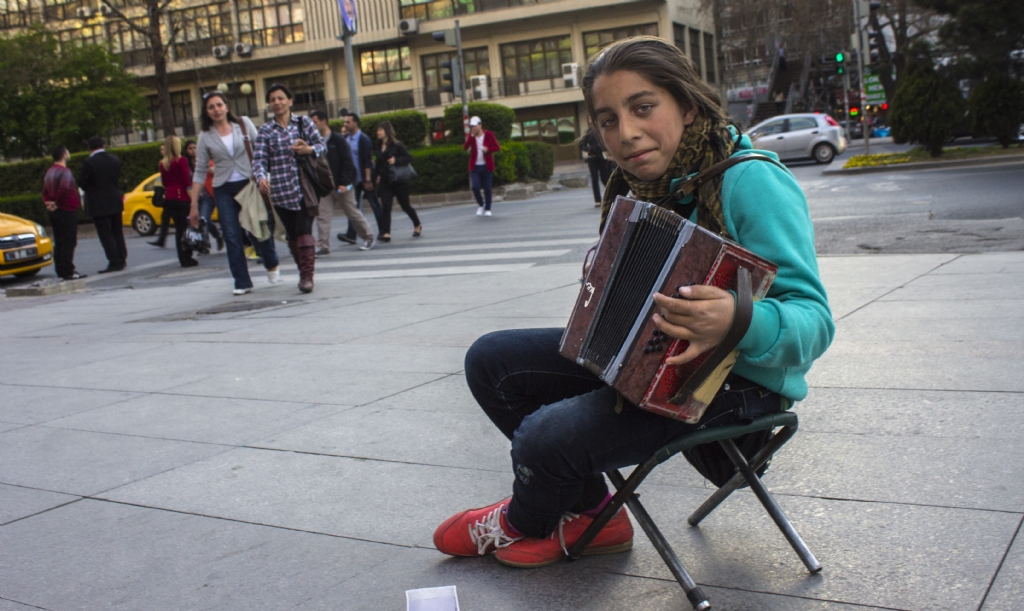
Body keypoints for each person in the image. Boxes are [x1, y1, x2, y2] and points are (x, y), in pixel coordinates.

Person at [432, 36, 833, 568]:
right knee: (490, 361)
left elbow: (815, 320)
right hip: (647, 362)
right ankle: (595, 512)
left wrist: (736, 319)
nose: (626, 133)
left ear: (687, 106)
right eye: (607, 120)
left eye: (643, 108)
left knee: (545, 439)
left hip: (739, 386)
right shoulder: (634, 188)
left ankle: (519, 522)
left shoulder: (749, 179)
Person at [189, 90, 281, 296]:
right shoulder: (205, 136)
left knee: (257, 229)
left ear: (227, 107)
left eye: (219, 105)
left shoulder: (244, 124)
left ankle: (271, 261)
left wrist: (264, 177)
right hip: (223, 188)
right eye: (211, 107)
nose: (216, 110)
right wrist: (194, 204)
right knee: (231, 234)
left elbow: (261, 151)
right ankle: (241, 281)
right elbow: (200, 170)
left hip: (248, 184)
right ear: (206, 112)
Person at [253, 83, 327, 293]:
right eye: (273, 100)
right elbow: (259, 160)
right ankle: (302, 268)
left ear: (290, 101)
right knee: (293, 235)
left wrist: (309, 149)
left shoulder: (303, 123)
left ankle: (306, 277)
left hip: (304, 189)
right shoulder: (266, 130)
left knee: (304, 230)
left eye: (281, 98)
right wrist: (260, 178)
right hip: (280, 192)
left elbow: (322, 146)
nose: (277, 103)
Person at [309, 110, 375, 254]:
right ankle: (323, 245)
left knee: (352, 212)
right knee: (322, 215)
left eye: (314, 122)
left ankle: (368, 237)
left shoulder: (338, 140)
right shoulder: (313, 142)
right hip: (324, 186)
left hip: (341, 185)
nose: (312, 126)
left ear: (323, 121)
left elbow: (348, 162)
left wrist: (344, 183)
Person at [77, 136, 126, 273]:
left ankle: (114, 261)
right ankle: (122, 257)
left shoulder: (89, 163)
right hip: (115, 199)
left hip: (98, 203)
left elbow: (81, 182)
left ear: (89, 148)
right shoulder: (114, 160)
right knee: (117, 231)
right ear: (103, 145)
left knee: (105, 233)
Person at [338, 113, 384, 245]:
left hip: (364, 178)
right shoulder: (345, 138)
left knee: (374, 204)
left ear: (355, 123)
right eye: (345, 122)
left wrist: (368, 179)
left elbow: (367, 161)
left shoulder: (364, 139)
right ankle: (351, 235)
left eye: (348, 122)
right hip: (352, 180)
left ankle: (383, 230)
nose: (345, 124)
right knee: (352, 207)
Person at [41, 145, 86, 280]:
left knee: (59, 241)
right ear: (64, 155)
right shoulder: (65, 172)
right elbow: (65, 190)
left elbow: (45, 191)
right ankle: (68, 270)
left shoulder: (49, 172)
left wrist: (49, 202)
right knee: (69, 241)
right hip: (66, 210)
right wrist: (57, 203)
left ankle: (60, 270)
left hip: (54, 212)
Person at [373, 120, 421, 241]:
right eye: (378, 130)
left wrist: (396, 161)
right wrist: (375, 177)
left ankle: (417, 224)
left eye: (380, 130)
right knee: (386, 207)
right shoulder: (378, 146)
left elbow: (409, 157)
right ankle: (387, 233)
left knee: (405, 206)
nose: (377, 132)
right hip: (385, 181)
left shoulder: (397, 145)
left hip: (399, 181)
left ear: (387, 132)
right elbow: (378, 164)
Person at [158, 135, 199, 268]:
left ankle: (182, 256)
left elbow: (164, 182)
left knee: (178, 229)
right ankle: (187, 257)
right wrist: (193, 199)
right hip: (181, 196)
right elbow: (186, 181)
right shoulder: (181, 161)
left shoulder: (163, 163)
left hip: (170, 197)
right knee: (185, 229)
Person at [464, 116, 500, 216]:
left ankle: (488, 208)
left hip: (486, 166)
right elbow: (465, 147)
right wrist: (471, 137)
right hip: (475, 166)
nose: (474, 128)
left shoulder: (488, 135)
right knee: (475, 187)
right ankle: (481, 204)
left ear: (480, 125)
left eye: (475, 126)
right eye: (472, 126)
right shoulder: (472, 137)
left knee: (487, 188)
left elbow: (497, 147)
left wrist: (488, 149)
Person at [580, 129, 611, 208]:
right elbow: (582, 146)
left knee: (605, 178)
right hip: (592, 158)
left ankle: (612, 196)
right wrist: (589, 148)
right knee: (594, 179)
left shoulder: (601, 129)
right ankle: (598, 200)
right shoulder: (588, 132)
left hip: (602, 158)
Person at [149, 143, 172, 248]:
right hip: (168, 194)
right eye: (161, 150)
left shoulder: (174, 161)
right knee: (165, 217)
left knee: (178, 219)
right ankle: (161, 239)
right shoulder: (162, 163)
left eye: (164, 149)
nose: (162, 151)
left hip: (174, 194)